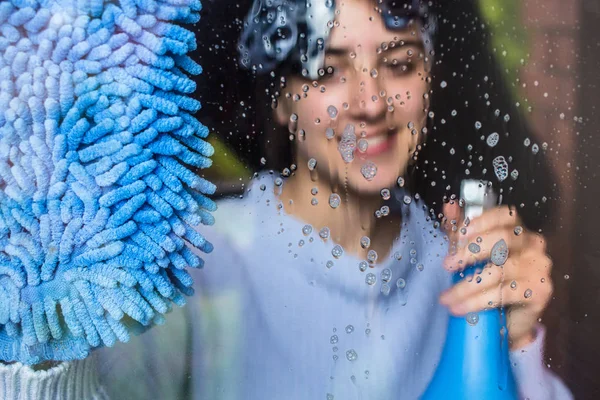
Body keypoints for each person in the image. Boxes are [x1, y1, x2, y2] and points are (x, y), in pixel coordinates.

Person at [0, 0, 573, 399]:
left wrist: (515, 340)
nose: (370, 101)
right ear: (280, 100)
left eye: (398, 63)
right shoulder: (193, 259)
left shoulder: (457, 258)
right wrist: (44, 326)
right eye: (327, 70)